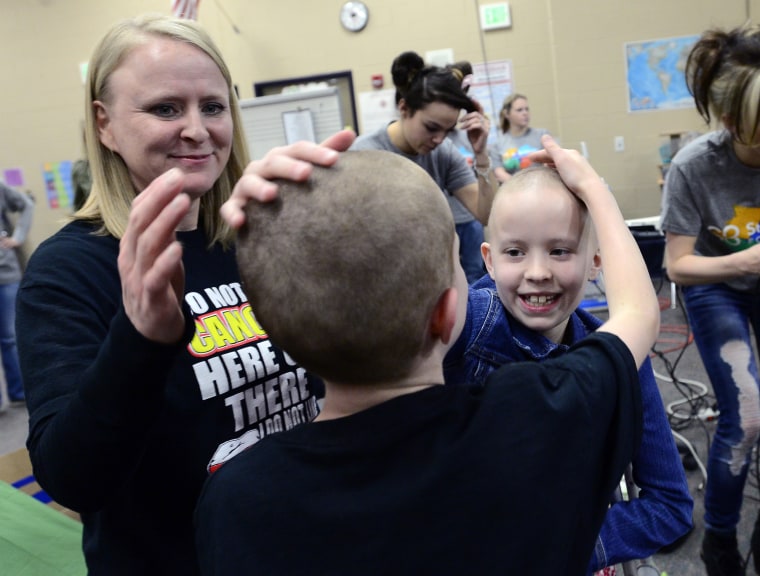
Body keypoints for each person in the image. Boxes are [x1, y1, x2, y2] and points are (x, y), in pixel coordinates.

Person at [194, 137, 662, 575]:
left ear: (273, 334)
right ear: (447, 313)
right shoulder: (528, 420)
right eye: (461, 265)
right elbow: (638, 312)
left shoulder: (237, 498)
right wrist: (596, 193)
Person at [15, 14, 354, 575]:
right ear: (104, 125)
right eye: (165, 108)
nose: (197, 129)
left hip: (303, 544)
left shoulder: (260, 236)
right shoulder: (69, 271)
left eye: (213, 107)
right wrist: (143, 336)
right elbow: (72, 478)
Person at [443, 161, 693, 574]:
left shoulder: (622, 358)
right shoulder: (463, 327)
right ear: (488, 260)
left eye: (560, 251)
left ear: (597, 261)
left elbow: (670, 507)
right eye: (515, 252)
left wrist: (567, 542)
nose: (538, 273)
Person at [660, 23, 760, 576]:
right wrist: (743, 261)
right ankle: (720, 537)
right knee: (747, 417)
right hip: (716, 285)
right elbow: (677, 265)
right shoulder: (694, 167)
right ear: (730, 122)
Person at [350, 51, 498, 228]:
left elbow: (488, 216)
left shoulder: (444, 153)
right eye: (431, 128)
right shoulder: (363, 154)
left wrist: (481, 154)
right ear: (404, 108)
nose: (439, 139)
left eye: (448, 131)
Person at [443, 60, 487, 283]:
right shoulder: (436, 141)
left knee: (474, 272)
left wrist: (482, 151)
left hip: (470, 218)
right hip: (445, 220)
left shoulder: (467, 136)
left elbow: (485, 175)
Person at [0, 181, 33, 409]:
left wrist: (18, 237)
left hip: (6, 274)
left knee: (10, 338)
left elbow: (27, 205)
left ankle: (19, 392)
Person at [490, 93, 551, 182]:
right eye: (519, 110)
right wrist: (520, 187)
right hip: (512, 190)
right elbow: (499, 173)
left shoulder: (542, 135)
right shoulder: (498, 145)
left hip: (539, 187)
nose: (525, 113)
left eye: (527, 109)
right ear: (507, 114)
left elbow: (549, 166)